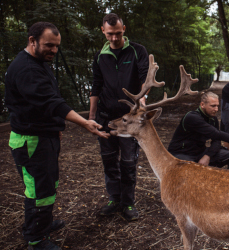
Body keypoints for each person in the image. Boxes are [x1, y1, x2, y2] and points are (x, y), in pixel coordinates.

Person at [5, 22, 109, 250]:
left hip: (43, 136)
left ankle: (43, 223)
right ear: (32, 40)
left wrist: (55, 129)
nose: (53, 50)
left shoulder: (39, 61)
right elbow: (51, 102)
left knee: (47, 184)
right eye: (48, 45)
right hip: (31, 141)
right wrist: (84, 122)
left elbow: (46, 101)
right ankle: (36, 238)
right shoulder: (27, 69)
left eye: (56, 46)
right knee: (38, 189)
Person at [89, 13, 149, 221]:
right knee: (108, 160)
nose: (114, 38)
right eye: (109, 34)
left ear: (124, 29)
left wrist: (142, 100)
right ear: (102, 31)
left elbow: (144, 77)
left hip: (128, 120)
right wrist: (91, 116)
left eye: (117, 33)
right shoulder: (99, 56)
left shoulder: (137, 51)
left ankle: (128, 203)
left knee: (129, 161)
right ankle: (114, 199)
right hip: (105, 117)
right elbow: (96, 84)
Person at [168, 92, 229, 169]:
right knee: (188, 166)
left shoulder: (213, 119)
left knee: (227, 155)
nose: (216, 109)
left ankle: (202, 166)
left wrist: (207, 156)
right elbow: (216, 133)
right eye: (213, 106)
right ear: (202, 105)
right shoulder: (192, 117)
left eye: (217, 106)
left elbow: (216, 140)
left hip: (199, 152)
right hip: (181, 153)